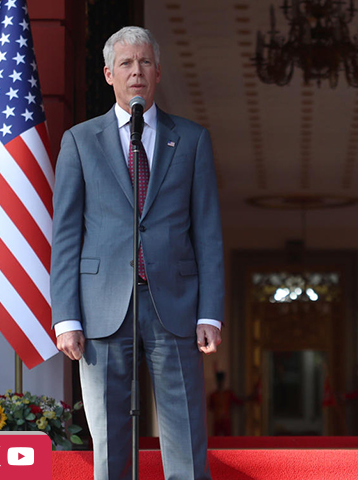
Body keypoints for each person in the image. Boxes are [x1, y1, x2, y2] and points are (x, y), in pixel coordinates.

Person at [51, 26, 224, 480]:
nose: (136, 72)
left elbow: (207, 232)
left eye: (145, 63)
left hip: (175, 305)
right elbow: (66, 234)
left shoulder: (191, 139)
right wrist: (65, 316)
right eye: (126, 64)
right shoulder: (79, 141)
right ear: (108, 74)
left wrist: (210, 312)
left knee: (185, 433)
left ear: (159, 73)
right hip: (102, 306)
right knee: (108, 439)